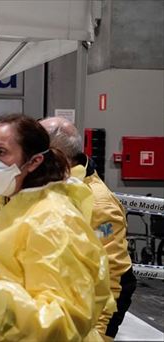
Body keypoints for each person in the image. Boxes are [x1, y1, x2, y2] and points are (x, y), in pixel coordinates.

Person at [0, 89, 135, 341]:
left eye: (0, 152)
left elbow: (108, 280)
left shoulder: (74, 209)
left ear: (38, 157)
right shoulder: (31, 191)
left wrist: (101, 334)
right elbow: (40, 263)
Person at [41, 117, 136, 341]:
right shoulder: (52, 184)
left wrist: (99, 336)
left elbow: (114, 278)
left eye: (32, 146)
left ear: (55, 155)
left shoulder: (98, 205)